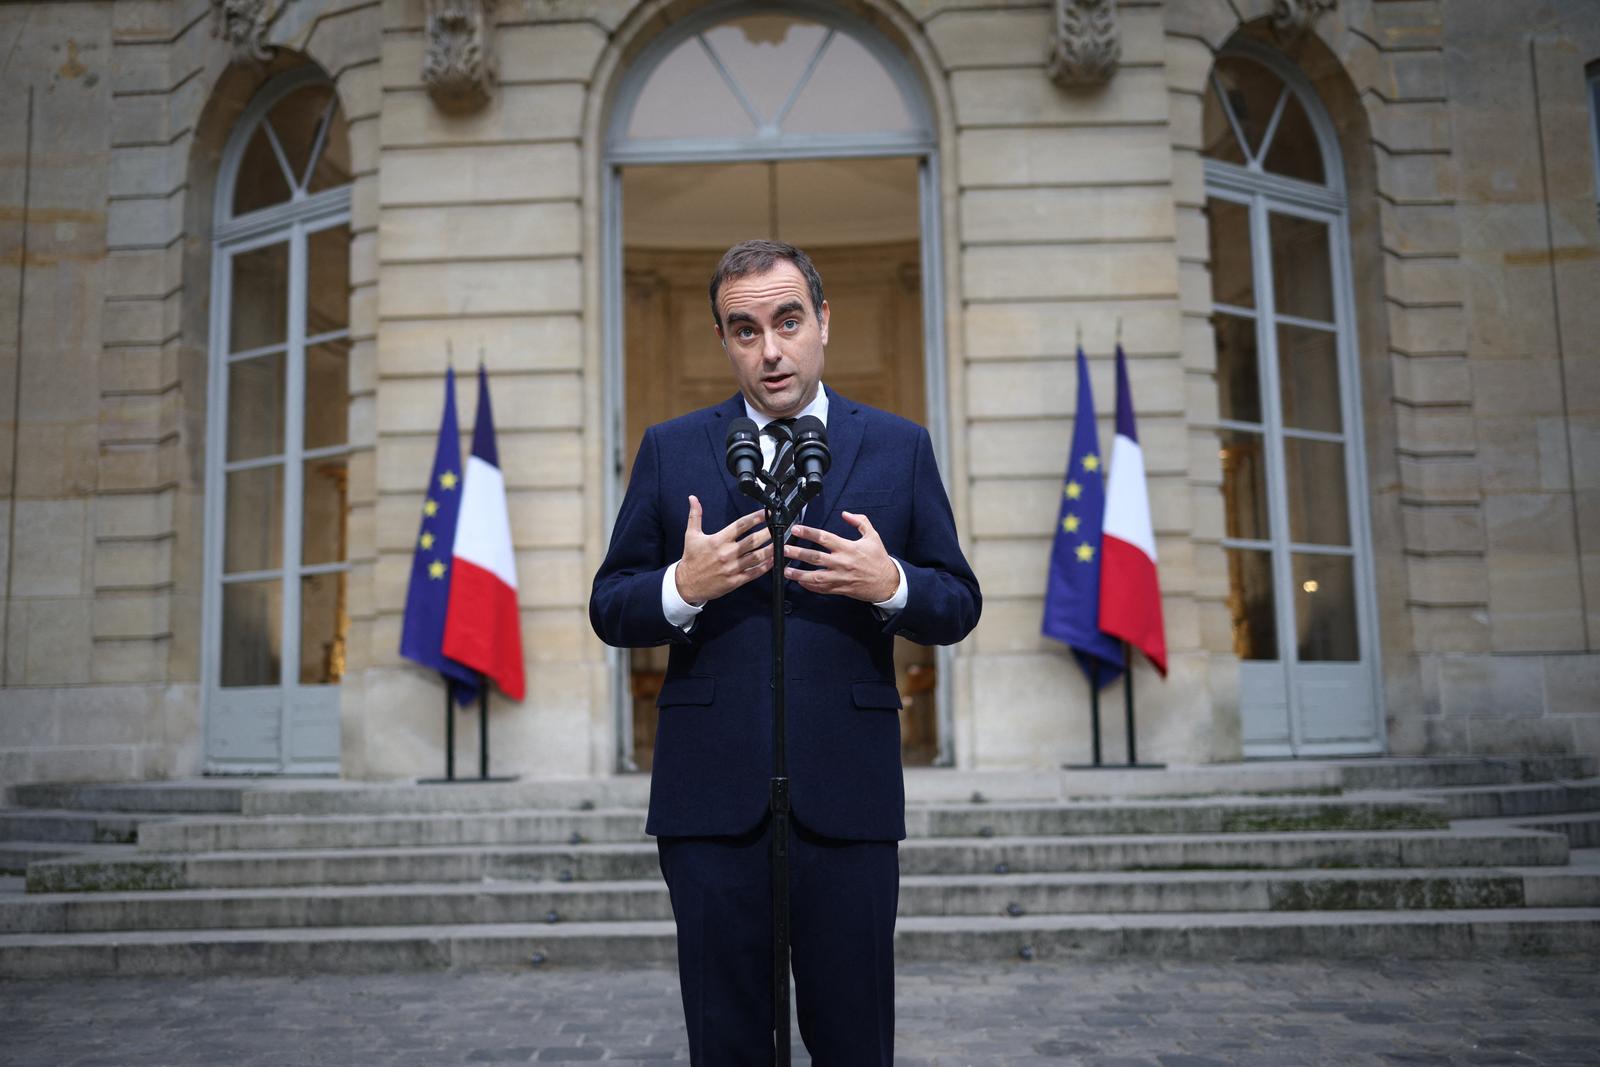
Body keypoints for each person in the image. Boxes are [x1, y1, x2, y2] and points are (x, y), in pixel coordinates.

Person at [589, 239, 981, 1065]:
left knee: (855, 1043)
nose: (769, 350)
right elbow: (610, 605)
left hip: (850, 798)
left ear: (824, 321)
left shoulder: (900, 447)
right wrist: (684, 585)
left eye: (788, 320)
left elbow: (958, 602)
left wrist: (891, 582)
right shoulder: (673, 447)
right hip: (710, 803)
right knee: (725, 1046)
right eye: (744, 329)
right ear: (724, 339)